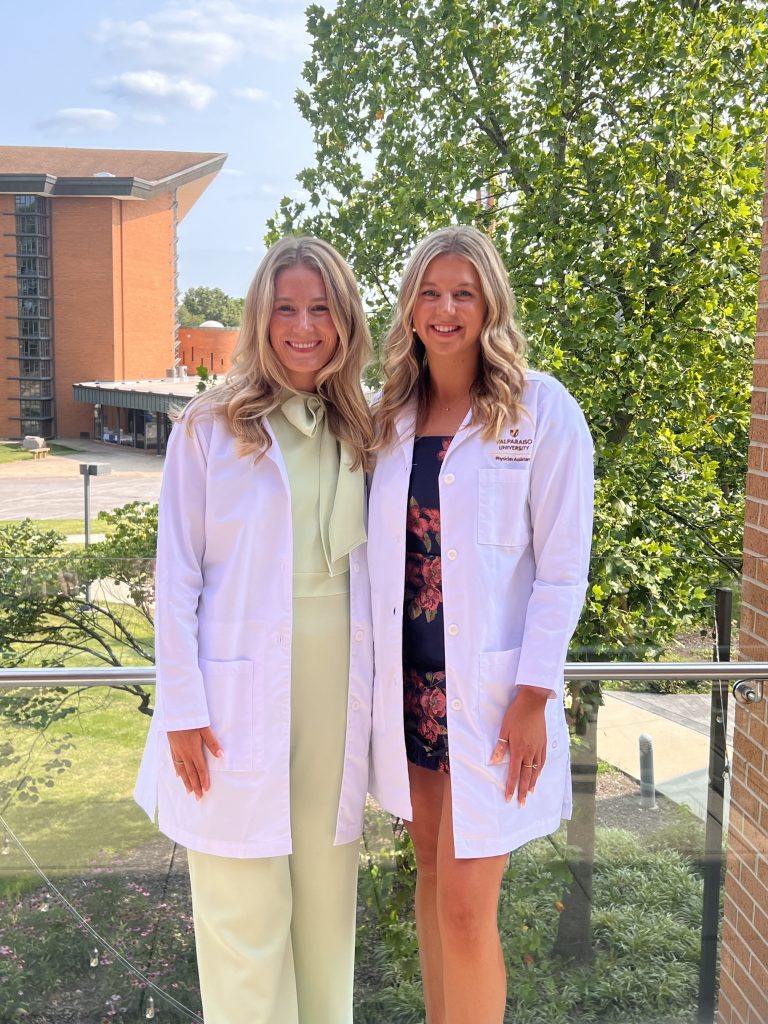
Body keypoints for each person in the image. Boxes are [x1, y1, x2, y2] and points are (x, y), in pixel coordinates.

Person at [134, 236, 375, 1024]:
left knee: (325, 916)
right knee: (243, 921)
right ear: (259, 319)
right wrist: (182, 708)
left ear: (344, 322)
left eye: (320, 309)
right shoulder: (209, 427)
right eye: (286, 310)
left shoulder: (365, 429)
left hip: (333, 704)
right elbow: (178, 578)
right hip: (234, 706)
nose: (303, 327)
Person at [367, 225, 594, 1024]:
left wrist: (534, 695)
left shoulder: (541, 409)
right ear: (409, 309)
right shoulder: (387, 415)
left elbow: (563, 569)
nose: (445, 309)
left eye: (463, 292)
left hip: (496, 701)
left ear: (490, 302)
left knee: (467, 905)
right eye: (429, 293)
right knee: (430, 877)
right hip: (413, 690)